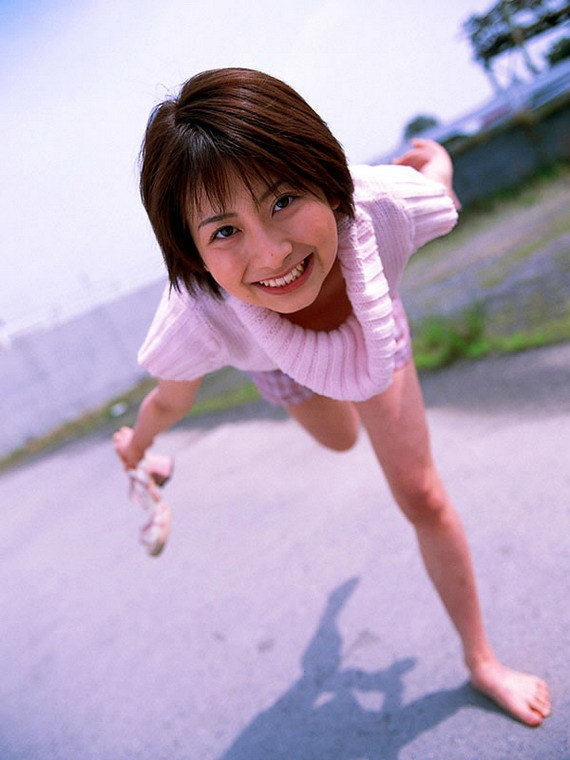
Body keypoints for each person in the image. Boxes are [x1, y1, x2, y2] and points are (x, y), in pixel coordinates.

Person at [113, 67, 551, 726]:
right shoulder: (198, 314)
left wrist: (438, 161)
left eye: (284, 199)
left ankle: (482, 660)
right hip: (281, 367)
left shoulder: (382, 205)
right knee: (342, 439)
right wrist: (137, 446)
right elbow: (170, 401)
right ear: (194, 254)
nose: (272, 254)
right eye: (224, 231)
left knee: (422, 494)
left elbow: (440, 192)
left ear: (327, 176)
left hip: (370, 335)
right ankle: (334, 395)